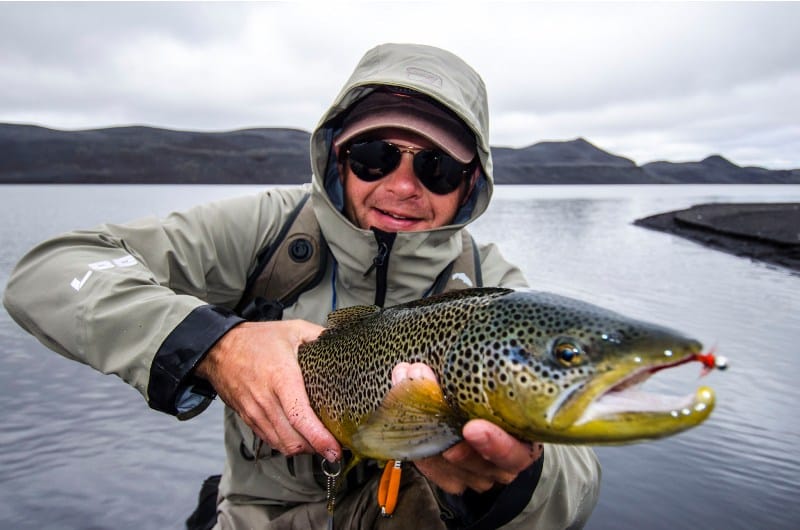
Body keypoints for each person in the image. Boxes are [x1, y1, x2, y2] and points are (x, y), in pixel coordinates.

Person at [3, 43, 600, 529]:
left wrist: (513, 480)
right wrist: (219, 346)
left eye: (435, 166)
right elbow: (49, 271)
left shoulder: (491, 287)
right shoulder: (268, 229)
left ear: (469, 185)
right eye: (374, 156)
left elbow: (578, 480)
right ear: (336, 159)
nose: (401, 186)